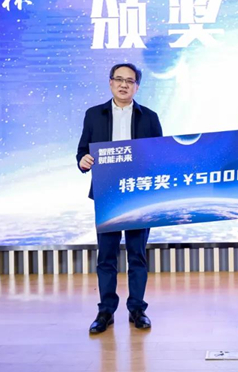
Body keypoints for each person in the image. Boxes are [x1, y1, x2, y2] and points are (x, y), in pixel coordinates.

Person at [76, 63, 163, 333]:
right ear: (111, 82)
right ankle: (106, 311)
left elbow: (160, 155)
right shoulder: (94, 114)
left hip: (139, 195)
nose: (124, 84)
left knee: (137, 255)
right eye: (119, 79)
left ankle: (137, 309)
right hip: (108, 193)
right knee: (107, 256)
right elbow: (82, 151)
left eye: (130, 81)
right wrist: (83, 161)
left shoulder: (149, 117)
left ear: (137, 86)